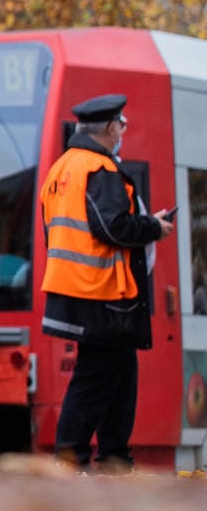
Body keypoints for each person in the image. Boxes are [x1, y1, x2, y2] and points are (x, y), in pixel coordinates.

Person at [39, 93, 173, 471]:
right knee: (95, 379)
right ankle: (71, 460)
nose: (122, 133)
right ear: (112, 127)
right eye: (122, 126)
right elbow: (113, 225)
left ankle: (116, 458)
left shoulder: (61, 170)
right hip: (102, 293)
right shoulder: (99, 169)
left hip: (79, 290)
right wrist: (153, 226)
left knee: (119, 375)